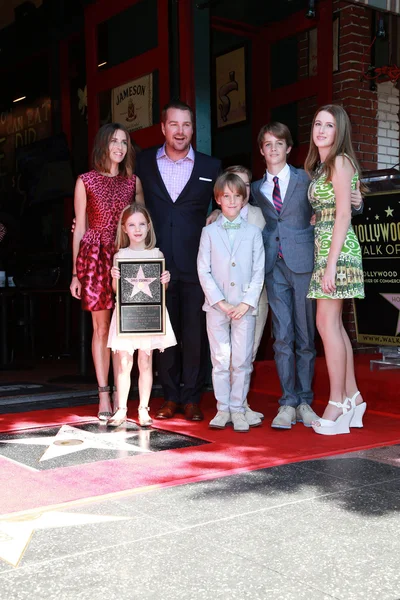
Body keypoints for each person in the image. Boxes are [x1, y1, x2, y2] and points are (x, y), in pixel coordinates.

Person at [251, 122, 363, 430]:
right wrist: (218, 212)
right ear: (261, 151)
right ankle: (288, 402)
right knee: (283, 336)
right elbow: (236, 206)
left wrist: (358, 200)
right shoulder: (255, 189)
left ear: (289, 148)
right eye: (267, 144)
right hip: (274, 267)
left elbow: (340, 199)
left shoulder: (307, 177)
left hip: (307, 263)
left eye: (279, 143)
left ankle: (305, 400)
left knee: (307, 334)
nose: (273, 149)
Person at [136, 101, 221, 421]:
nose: (180, 131)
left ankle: (192, 397)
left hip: (197, 264)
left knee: (194, 333)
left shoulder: (211, 167)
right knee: (165, 334)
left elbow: (230, 202)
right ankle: (169, 396)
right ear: (163, 128)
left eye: (186, 125)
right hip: (157, 267)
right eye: (174, 124)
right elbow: (131, 205)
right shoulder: (143, 163)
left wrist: (215, 212)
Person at [70, 123, 144, 421]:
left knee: (122, 331)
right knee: (101, 329)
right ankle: (103, 392)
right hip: (95, 258)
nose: (119, 147)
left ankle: (120, 393)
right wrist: (75, 273)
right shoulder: (85, 181)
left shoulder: (133, 182)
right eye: (114, 141)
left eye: (124, 142)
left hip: (124, 259)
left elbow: (142, 227)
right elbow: (79, 229)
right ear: (103, 145)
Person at [305, 105, 366, 435]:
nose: (322, 130)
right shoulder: (322, 166)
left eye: (329, 125)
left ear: (339, 131)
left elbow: (344, 215)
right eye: (318, 124)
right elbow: (336, 208)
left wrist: (329, 265)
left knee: (325, 323)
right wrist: (320, 215)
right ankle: (353, 398)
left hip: (337, 254)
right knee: (334, 324)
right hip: (327, 249)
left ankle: (337, 402)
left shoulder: (340, 161)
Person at [197, 172, 265, 432]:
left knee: (242, 360)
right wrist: (221, 302)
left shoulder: (253, 233)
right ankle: (222, 408)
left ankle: (238, 409)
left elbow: (259, 270)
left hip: (245, 308)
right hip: (217, 307)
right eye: (227, 196)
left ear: (244, 197)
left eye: (237, 196)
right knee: (221, 358)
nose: (232, 201)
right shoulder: (209, 232)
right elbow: (203, 269)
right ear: (218, 199)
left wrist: (247, 303)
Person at [107, 203, 176, 427]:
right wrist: (114, 277)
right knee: (124, 363)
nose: (137, 229)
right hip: (127, 316)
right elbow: (117, 292)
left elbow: (159, 293)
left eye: (141, 224)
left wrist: (164, 281)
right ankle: (121, 409)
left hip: (149, 315)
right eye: (132, 225)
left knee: (145, 361)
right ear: (124, 229)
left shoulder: (156, 254)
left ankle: (143, 409)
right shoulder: (120, 255)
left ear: (149, 227)